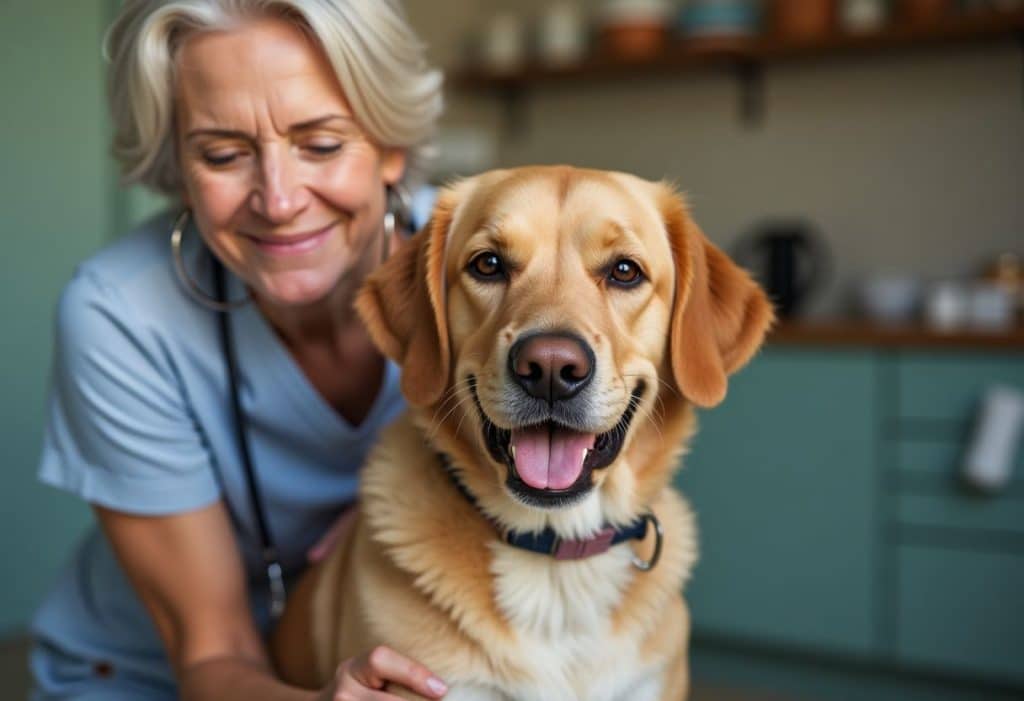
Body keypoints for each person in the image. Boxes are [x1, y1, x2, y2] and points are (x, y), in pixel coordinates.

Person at [30, 1, 449, 699]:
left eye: (321, 144)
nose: (279, 200)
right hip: (151, 676)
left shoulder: (489, 263)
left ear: (392, 143)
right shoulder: (120, 316)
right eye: (222, 154)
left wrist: (411, 485)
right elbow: (210, 654)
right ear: (179, 165)